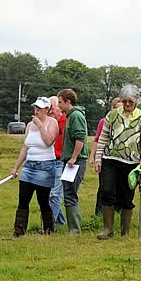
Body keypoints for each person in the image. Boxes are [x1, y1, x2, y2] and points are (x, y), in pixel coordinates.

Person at [95, 85, 141, 239]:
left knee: (127, 195)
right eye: (125, 101)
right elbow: (103, 138)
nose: (127, 104)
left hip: (132, 163)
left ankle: (125, 232)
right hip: (110, 160)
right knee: (106, 190)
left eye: (130, 102)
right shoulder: (111, 115)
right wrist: (98, 158)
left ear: (137, 101)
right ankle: (108, 229)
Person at [10, 96, 58, 237]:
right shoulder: (30, 126)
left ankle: (48, 228)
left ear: (47, 110)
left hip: (45, 165)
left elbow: (49, 141)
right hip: (29, 165)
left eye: (39, 108)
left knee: (43, 200)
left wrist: (40, 125)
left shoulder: (52, 122)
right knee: (23, 198)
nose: (36, 111)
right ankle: (19, 230)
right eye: (35, 108)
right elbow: (25, 147)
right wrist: (16, 167)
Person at [57, 89, 88, 236]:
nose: (58, 105)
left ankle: (75, 230)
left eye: (60, 102)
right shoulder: (69, 116)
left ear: (68, 101)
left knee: (70, 193)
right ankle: (72, 228)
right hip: (70, 160)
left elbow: (80, 138)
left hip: (75, 162)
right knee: (68, 192)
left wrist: (74, 157)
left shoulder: (75, 116)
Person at [89, 97, 122, 216]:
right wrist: (92, 156)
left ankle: (117, 212)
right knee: (104, 186)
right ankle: (99, 213)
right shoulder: (104, 121)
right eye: (116, 107)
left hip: (121, 158)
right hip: (105, 157)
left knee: (119, 186)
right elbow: (97, 139)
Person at [48, 96, 66, 227]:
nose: (49, 111)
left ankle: (50, 225)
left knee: (55, 194)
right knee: (50, 193)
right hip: (49, 160)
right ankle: (60, 222)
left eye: (52, 108)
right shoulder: (48, 123)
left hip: (61, 161)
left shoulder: (66, 121)